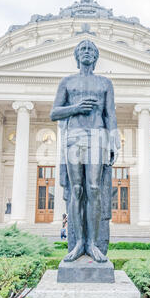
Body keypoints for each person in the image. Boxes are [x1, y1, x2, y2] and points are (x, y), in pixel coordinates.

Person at [50, 40, 120, 262]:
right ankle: (79, 242)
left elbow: (110, 115)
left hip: (98, 137)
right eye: (83, 49)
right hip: (74, 137)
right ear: (77, 56)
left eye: (91, 49)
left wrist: (113, 143)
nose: (87, 52)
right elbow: (54, 113)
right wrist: (77, 108)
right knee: (77, 189)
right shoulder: (67, 82)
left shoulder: (105, 83)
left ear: (96, 56)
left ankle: (93, 243)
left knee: (94, 187)